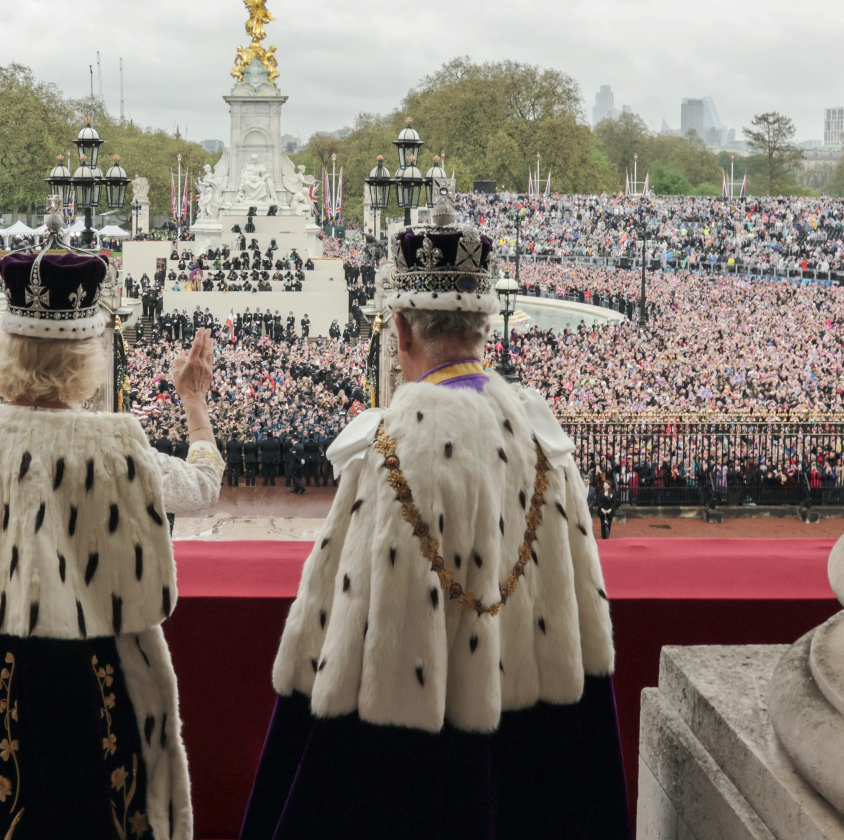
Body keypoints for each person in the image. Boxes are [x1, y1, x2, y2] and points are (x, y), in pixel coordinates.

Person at [240, 196, 629, 840]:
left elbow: (353, 633)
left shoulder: (390, 448)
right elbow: (583, 623)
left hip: (419, 756)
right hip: (534, 748)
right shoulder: (543, 440)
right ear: (483, 326)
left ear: (401, 331)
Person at [0, 239, 223, 840]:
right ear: (87, 356)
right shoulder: (117, 444)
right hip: (96, 677)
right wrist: (194, 402)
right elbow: (203, 483)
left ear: (8, 348)